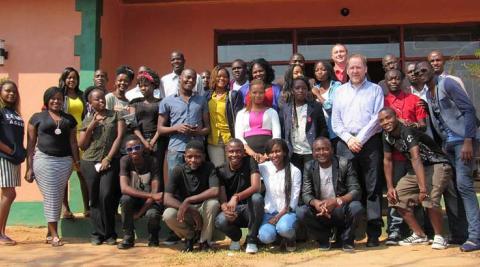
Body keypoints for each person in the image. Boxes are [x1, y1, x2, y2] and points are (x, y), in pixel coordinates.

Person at [417, 62, 480, 252]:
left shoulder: (448, 84)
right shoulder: (429, 94)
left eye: (424, 69)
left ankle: (476, 237)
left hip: (463, 141)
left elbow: (469, 110)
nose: (421, 73)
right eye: (418, 72)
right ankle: (461, 234)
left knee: (464, 186)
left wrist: (468, 140)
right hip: (449, 145)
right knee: (453, 189)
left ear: (433, 69)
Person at [379, 107, 452, 249]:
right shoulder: (386, 135)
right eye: (381, 120)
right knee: (396, 197)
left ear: (396, 116)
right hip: (417, 168)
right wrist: (389, 187)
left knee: (429, 198)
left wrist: (422, 188)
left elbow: (416, 157)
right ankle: (419, 235)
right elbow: (387, 160)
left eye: (388, 118)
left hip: (436, 164)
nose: (386, 122)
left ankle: (439, 236)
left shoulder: (407, 130)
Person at [331, 54, 384, 247]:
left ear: (365, 69)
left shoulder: (376, 90)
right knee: (345, 188)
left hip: (369, 142)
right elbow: (335, 121)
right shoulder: (340, 91)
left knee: (372, 188)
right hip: (345, 143)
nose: (355, 71)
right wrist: (349, 139)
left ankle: (373, 234)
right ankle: (346, 235)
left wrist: (359, 139)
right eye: (351, 68)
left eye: (358, 67)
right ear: (346, 70)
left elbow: (377, 118)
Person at [25, 87, 80, 247]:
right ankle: (55, 234)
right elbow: (30, 144)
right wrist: (29, 167)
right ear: (47, 100)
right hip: (43, 160)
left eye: (59, 99)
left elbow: (73, 142)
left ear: (63, 101)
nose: (56, 101)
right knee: (51, 195)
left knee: (55, 194)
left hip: (65, 162)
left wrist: (76, 162)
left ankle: (50, 231)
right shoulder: (36, 118)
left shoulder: (69, 119)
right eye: (53, 98)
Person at [383, 69, 428, 245]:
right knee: (394, 193)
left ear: (403, 80)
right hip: (393, 156)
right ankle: (394, 231)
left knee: (415, 195)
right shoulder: (383, 102)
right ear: (385, 82)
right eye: (390, 79)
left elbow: (423, 126)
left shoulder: (414, 100)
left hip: (414, 158)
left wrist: (413, 125)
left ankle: (418, 231)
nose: (393, 81)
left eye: (397, 78)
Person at [296, 137, 363, 252]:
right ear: (312, 152)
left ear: (332, 150)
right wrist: (316, 203)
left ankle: (346, 240)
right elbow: (306, 194)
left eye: (325, 149)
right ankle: (323, 239)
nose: (321, 153)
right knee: (301, 211)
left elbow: (355, 190)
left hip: (339, 208)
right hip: (320, 211)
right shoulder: (309, 166)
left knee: (356, 207)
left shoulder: (344, 163)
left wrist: (337, 201)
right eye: (317, 150)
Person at [79, 88, 125, 246]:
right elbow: (82, 145)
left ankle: (110, 233)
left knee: (106, 196)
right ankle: (97, 233)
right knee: (94, 199)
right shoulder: (87, 120)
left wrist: (108, 158)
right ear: (90, 103)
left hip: (109, 161)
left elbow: (119, 137)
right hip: (89, 162)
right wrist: (91, 126)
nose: (101, 101)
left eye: (102, 98)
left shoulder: (116, 115)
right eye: (97, 99)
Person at [162, 140, 220, 252]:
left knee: (213, 203)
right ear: (184, 157)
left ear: (203, 156)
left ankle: (204, 241)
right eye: (189, 157)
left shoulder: (209, 167)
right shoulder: (178, 170)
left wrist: (189, 200)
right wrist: (190, 209)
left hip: (203, 208)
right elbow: (166, 198)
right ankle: (190, 237)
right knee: (168, 214)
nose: (193, 160)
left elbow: (215, 190)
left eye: (197, 157)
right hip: (186, 210)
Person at [158, 68, 210, 177]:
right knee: (175, 185)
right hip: (176, 150)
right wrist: (176, 128)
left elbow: (207, 129)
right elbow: (160, 129)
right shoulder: (167, 101)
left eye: (194, 79)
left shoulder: (202, 100)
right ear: (180, 79)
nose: (191, 80)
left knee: (196, 183)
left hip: (197, 151)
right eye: (188, 77)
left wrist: (197, 132)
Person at [214, 139, 263, 254]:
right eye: (231, 151)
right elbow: (222, 198)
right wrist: (225, 209)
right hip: (233, 210)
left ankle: (251, 240)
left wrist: (236, 197)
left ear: (243, 152)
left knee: (257, 198)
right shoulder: (220, 170)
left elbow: (256, 187)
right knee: (220, 221)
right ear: (226, 152)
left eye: (238, 151)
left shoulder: (250, 161)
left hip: (249, 209)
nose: (235, 154)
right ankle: (236, 238)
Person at [117, 136, 164, 249]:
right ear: (126, 151)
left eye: (137, 147)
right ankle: (128, 236)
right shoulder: (124, 161)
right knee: (125, 199)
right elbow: (124, 188)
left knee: (152, 214)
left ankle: (153, 237)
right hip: (136, 199)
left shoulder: (152, 161)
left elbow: (155, 192)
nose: (133, 151)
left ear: (142, 148)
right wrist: (151, 195)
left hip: (150, 202)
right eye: (129, 149)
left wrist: (140, 213)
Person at [258, 139, 301, 251]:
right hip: (269, 212)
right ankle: (279, 239)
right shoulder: (264, 167)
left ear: (285, 152)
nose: (274, 155)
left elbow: (293, 202)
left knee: (284, 228)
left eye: (278, 151)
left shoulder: (295, 171)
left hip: (287, 212)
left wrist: (278, 216)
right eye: (271, 152)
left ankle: (290, 237)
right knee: (265, 237)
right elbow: (251, 167)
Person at [279, 77, 328, 175]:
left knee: (311, 181)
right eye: (297, 88)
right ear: (292, 90)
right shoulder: (285, 108)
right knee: (295, 181)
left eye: (304, 88)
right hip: (293, 152)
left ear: (308, 90)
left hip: (311, 152)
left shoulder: (315, 107)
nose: (300, 90)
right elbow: (282, 130)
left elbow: (323, 128)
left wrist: (319, 148)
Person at [58, 67, 89, 219]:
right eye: (69, 77)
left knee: (83, 173)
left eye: (74, 78)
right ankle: (66, 209)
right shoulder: (59, 96)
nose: (72, 80)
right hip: (65, 137)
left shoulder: (82, 96)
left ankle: (87, 207)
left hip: (81, 136)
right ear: (64, 79)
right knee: (65, 174)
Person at [0, 81, 26, 246]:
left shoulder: (15, 113)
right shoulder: (1, 112)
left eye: (14, 92)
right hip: (4, 157)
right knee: (9, 194)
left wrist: (20, 152)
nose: (11, 94)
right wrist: (10, 151)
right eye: (7, 91)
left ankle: (2, 232)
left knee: (9, 194)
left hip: (14, 158)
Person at [129, 70, 165, 181]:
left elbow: (162, 123)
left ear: (153, 85)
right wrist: (144, 142)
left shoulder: (161, 102)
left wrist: (153, 141)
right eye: (140, 86)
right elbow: (133, 124)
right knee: (141, 169)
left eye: (146, 85)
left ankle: (158, 196)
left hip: (158, 140)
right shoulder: (134, 102)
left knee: (157, 169)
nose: (143, 88)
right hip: (138, 140)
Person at [205, 66, 244, 167]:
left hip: (230, 139)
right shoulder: (207, 96)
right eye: (219, 76)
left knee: (232, 169)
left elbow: (239, 119)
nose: (222, 79)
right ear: (214, 78)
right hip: (213, 140)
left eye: (225, 77)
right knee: (218, 169)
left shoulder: (233, 95)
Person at [235, 80, 281, 163]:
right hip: (248, 157)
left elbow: (277, 136)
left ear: (264, 94)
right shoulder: (241, 114)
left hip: (270, 156)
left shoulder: (272, 112)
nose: (258, 95)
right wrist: (253, 154)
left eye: (261, 92)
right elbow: (239, 137)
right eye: (254, 92)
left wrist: (267, 155)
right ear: (249, 93)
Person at [311, 61, 342, 143]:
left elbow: (330, 108)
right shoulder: (315, 88)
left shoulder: (336, 86)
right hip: (320, 131)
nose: (319, 72)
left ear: (329, 71)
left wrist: (318, 95)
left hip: (334, 132)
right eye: (316, 70)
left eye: (323, 69)